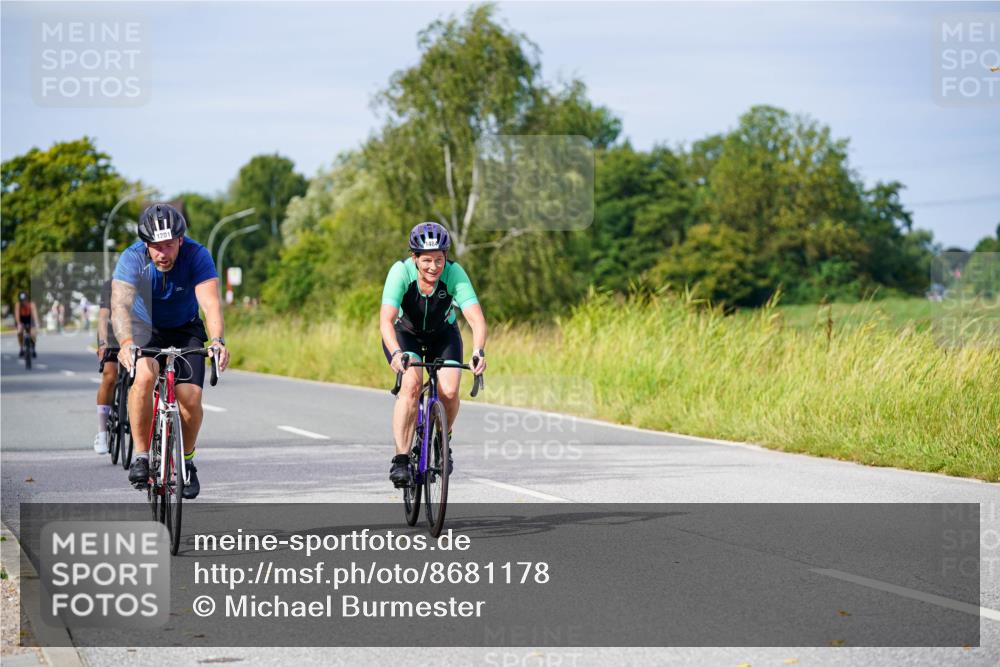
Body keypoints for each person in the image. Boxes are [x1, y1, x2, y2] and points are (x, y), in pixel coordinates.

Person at [111, 203, 230, 498]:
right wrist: (125, 344)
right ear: (145, 244)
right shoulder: (131, 258)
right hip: (145, 329)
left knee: (190, 397)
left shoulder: (197, 255)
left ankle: (187, 462)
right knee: (143, 378)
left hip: (185, 328)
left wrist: (217, 341)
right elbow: (120, 306)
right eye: (156, 247)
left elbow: (210, 304)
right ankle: (141, 456)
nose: (162, 253)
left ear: (180, 240)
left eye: (168, 245)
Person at [379, 222, 487, 487]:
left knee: (449, 391)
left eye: (439, 260)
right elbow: (386, 321)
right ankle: (401, 460)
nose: (433, 267)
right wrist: (396, 353)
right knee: (411, 385)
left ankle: (442, 440)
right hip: (406, 335)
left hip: (443, 334)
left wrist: (478, 350)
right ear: (414, 258)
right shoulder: (400, 272)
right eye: (426, 260)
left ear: (446, 257)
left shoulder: (454, 273)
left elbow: (476, 320)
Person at [93, 279, 120, 454]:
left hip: (137, 332)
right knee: (110, 375)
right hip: (111, 333)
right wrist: (103, 344)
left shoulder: (146, 282)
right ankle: (102, 432)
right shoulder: (110, 285)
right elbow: (103, 317)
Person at [14, 291, 39, 358]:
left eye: (24, 300)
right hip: (22, 319)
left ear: (27, 299)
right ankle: (21, 348)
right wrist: (19, 324)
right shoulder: (18, 305)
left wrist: (36, 323)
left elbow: (35, 314)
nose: (23, 302)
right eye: (22, 300)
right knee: (19, 332)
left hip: (30, 319)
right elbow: (17, 315)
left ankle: (33, 348)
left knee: (33, 333)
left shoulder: (31, 304)